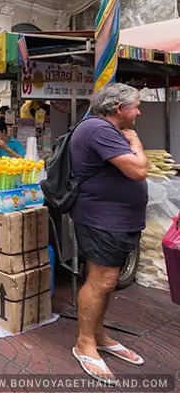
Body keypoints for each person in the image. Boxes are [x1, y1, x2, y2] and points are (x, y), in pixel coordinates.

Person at [69, 84, 148, 385]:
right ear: (118, 107)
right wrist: (137, 141)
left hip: (115, 220)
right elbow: (139, 170)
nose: (139, 112)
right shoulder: (99, 130)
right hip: (102, 220)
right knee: (100, 281)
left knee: (107, 281)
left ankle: (98, 335)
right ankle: (84, 343)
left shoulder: (103, 129)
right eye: (136, 106)